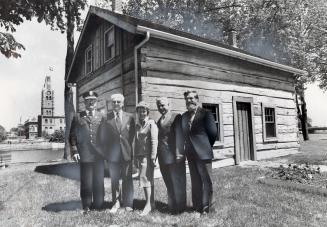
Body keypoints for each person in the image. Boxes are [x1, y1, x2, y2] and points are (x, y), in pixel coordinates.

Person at [180, 90, 217, 214]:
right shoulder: (184, 116)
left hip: (203, 153)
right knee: (195, 181)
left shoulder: (206, 114)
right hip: (190, 154)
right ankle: (197, 207)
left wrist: (205, 147)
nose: (189, 101)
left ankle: (208, 208)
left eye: (192, 98)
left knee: (206, 181)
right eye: (187, 99)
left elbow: (213, 133)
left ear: (197, 99)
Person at [69, 91, 105, 214]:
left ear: (96, 102)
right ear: (84, 102)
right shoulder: (78, 117)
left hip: (99, 155)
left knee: (99, 180)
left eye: (93, 100)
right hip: (84, 154)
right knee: (86, 181)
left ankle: (99, 204)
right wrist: (74, 151)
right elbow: (72, 135)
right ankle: (86, 205)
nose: (91, 103)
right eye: (88, 100)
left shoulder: (101, 116)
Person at [100, 93, 135, 213]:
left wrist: (132, 152)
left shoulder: (130, 117)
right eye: (114, 102)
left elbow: (133, 136)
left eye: (118, 102)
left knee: (127, 179)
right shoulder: (106, 118)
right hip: (113, 155)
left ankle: (128, 203)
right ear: (111, 103)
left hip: (126, 153)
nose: (116, 104)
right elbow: (102, 138)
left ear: (123, 103)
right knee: (114, 179)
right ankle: (116, 203)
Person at [156, 97, 186, 214]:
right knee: (168, 181)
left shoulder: (176, 117)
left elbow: (180, 136)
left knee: (177, 181)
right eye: (159, 106)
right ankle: (172, 205)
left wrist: (179, 154)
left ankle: (180, 208)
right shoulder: (159, 121)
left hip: (174, 156)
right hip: (163, 157)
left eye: (163, 105)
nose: (161, 108)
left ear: (169, 105)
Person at [134, 101, 158, 216]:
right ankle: (152, 203)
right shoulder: (138, 124)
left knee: (144, 178)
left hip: (148, 156)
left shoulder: (151, 124)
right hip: (140, 156)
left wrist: (153, 157)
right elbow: (136, 142)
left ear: (147, 112)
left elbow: (154, 141)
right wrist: (134, 157)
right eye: (139, 111)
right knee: (148, 179)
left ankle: (148, 205)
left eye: (143, 111)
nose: (141, 113)